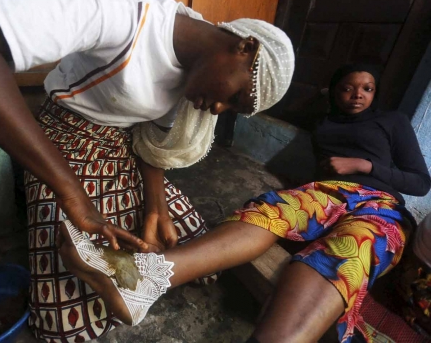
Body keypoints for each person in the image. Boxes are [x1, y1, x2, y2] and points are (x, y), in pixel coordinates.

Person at [0, 0, 295, 341]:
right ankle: (122, 278)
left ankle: (136, 281)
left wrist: (155, 206)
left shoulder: (196, 70)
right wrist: (71, 193)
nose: (219, 109)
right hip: (63, 145)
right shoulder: (122, 17)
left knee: (184, 242)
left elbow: (150, 135)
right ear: (244, 47)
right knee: (66, 316)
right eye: (236, 97)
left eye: (233, 111)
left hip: (120, 149)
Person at [57, 63, 431, 343]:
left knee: (348, 252)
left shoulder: (393, 122)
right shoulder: (325, 125)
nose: (358, 94)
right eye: (348, 88)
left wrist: (364, 165)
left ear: (376, 92)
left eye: (367, 88)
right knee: (270, 209)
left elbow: (420, 181)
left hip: (381, 205)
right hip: (328, 192)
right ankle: (140, 277)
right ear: (334, 92)